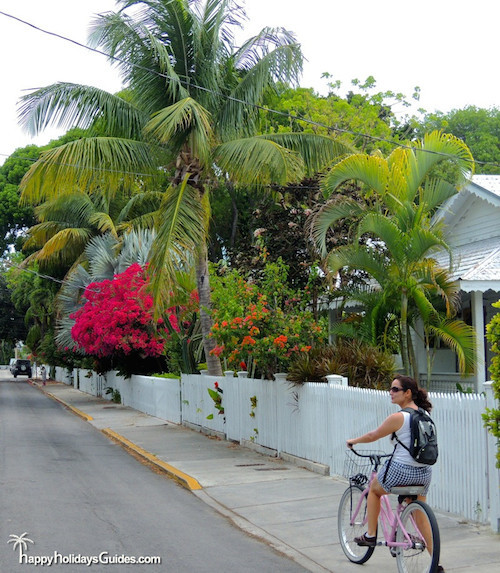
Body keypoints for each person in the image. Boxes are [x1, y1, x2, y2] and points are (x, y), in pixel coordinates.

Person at [346, 375, 444, 573]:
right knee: (419, 513)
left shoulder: (399, 417)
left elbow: (373, 435)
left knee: (374, 491)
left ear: (407, 393)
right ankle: (435, 563)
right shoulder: (424, 414)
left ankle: (371, 535)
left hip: (400, 471)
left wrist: (353, 441)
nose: (390, 392)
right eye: (390, 389)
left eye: (395, 389)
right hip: (424, 473)